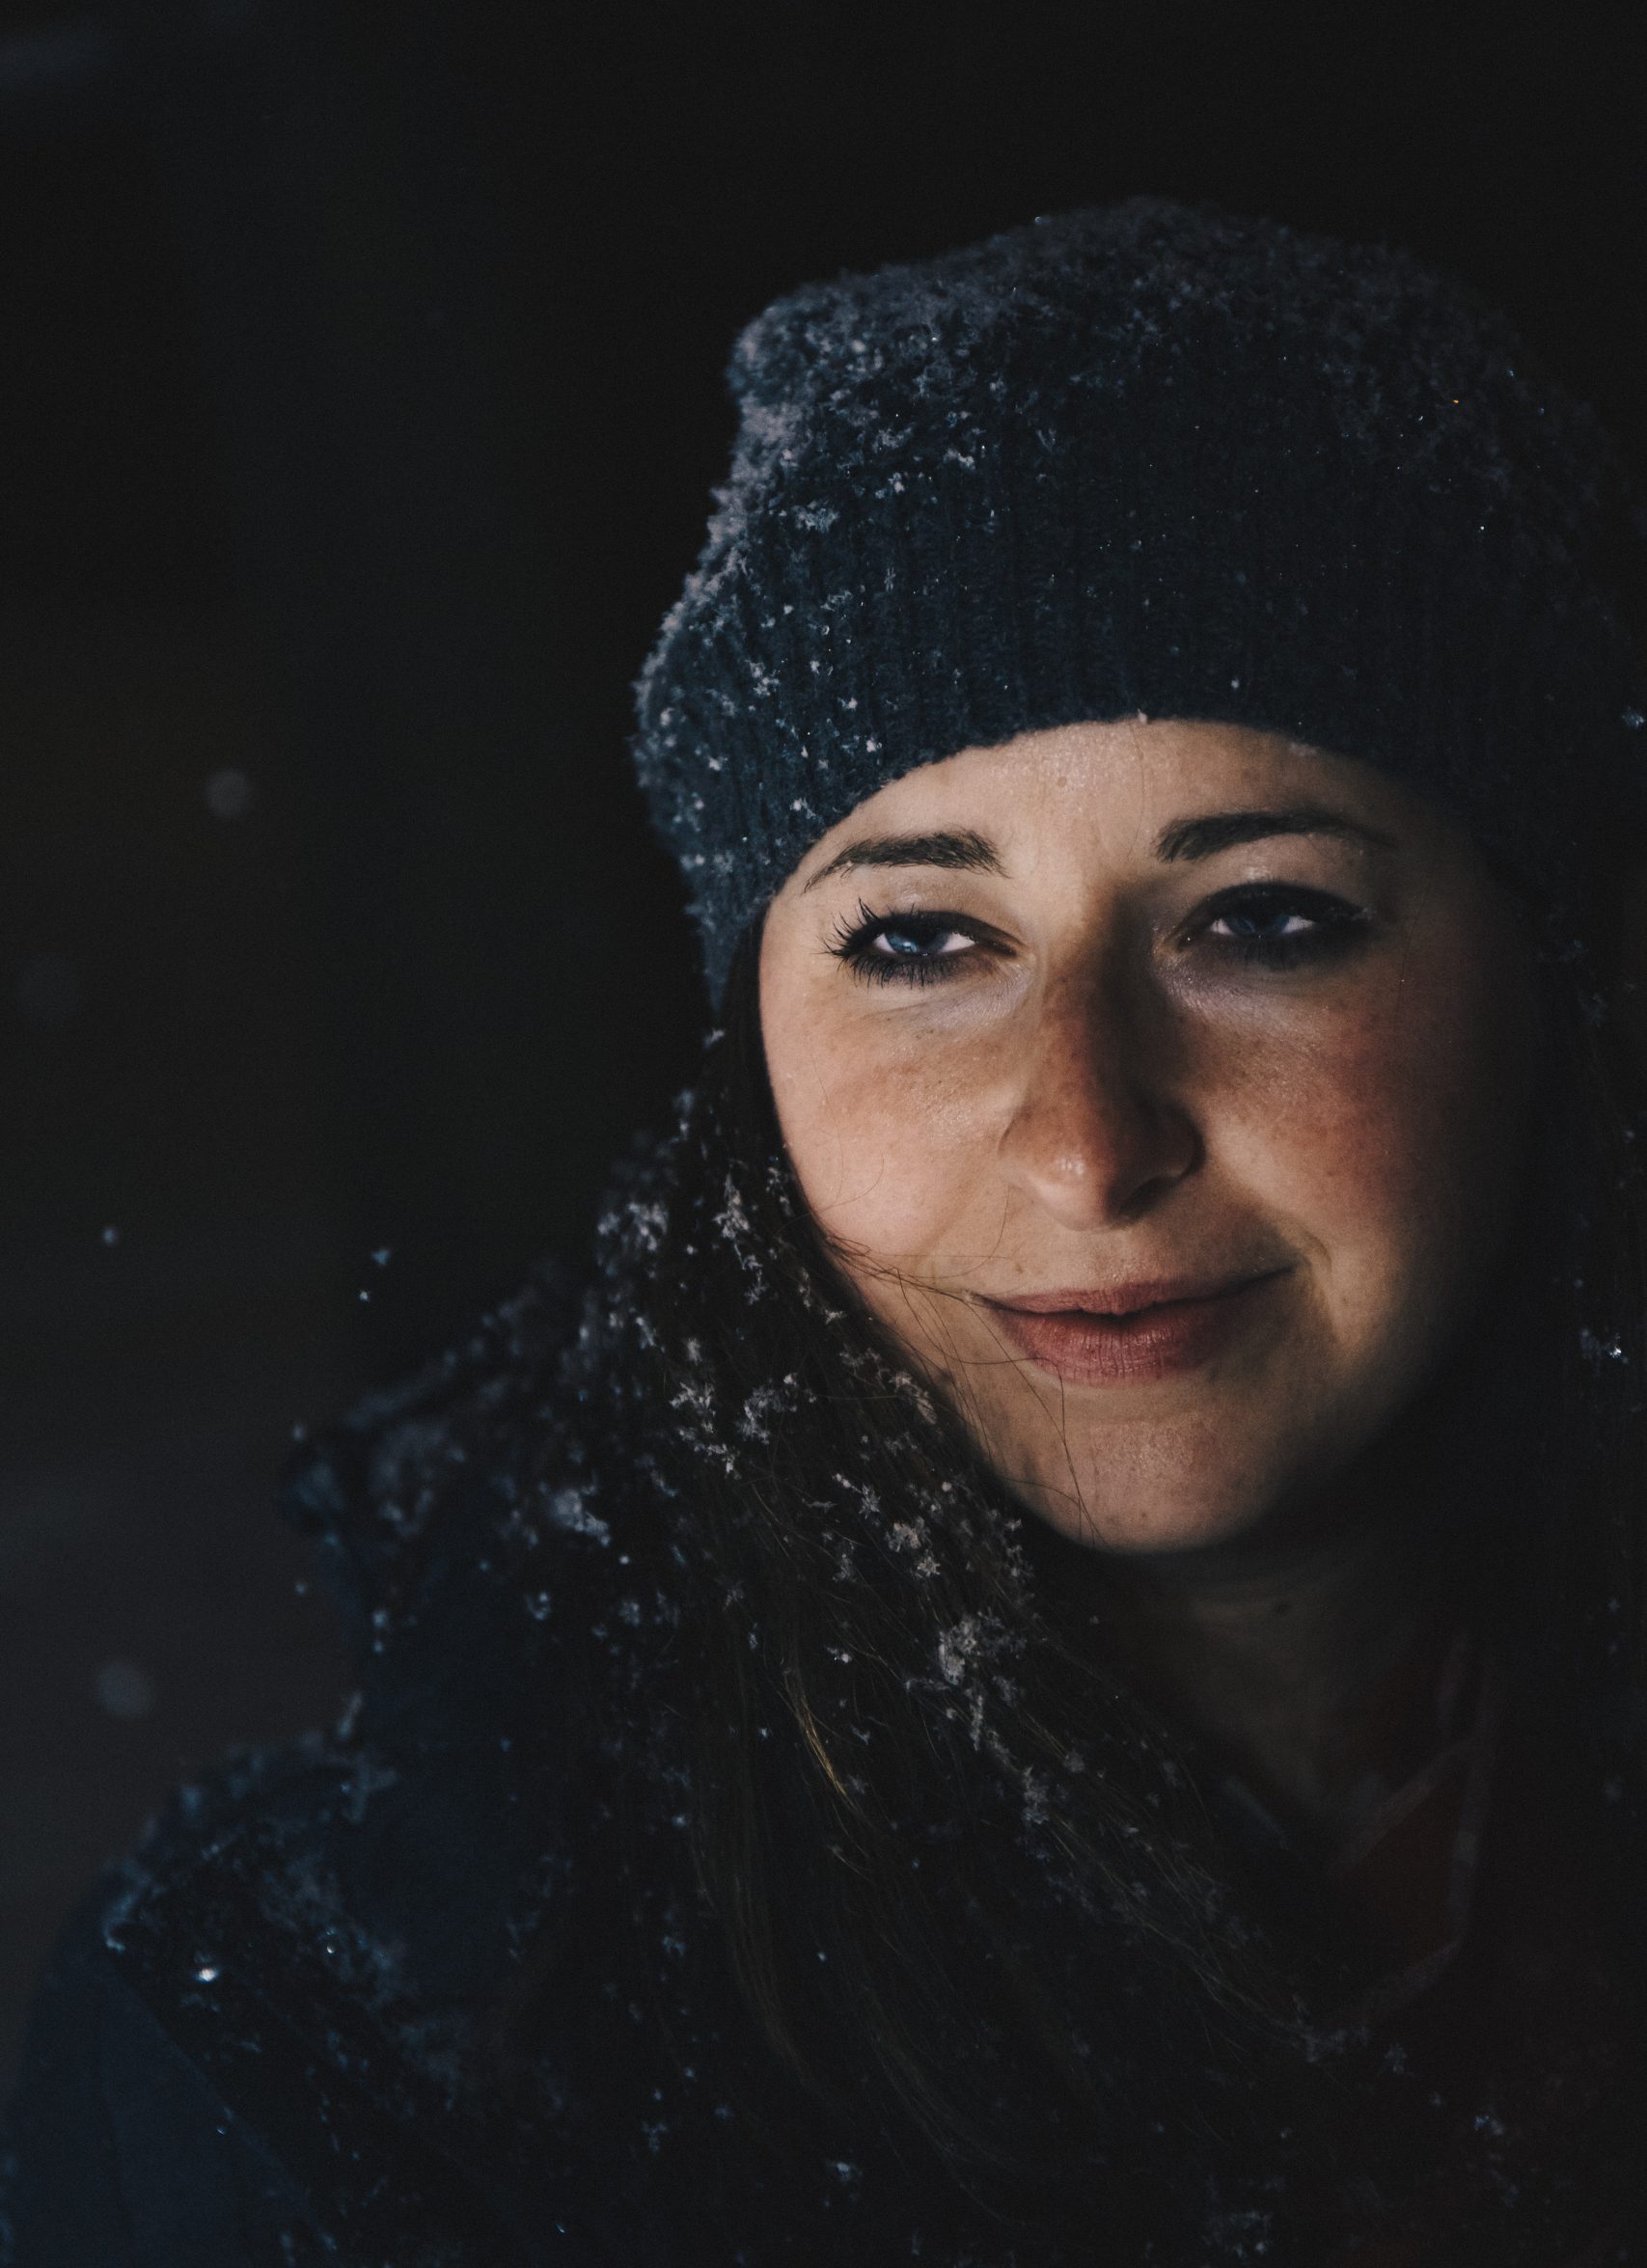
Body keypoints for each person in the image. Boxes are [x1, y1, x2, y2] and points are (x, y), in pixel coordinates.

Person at [7, 199, 1647, 2265]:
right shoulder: (331, 2062)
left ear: (1555, 986)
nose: (1083, 1135)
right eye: (918, 936)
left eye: (1261, 919)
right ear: (749, 1057)